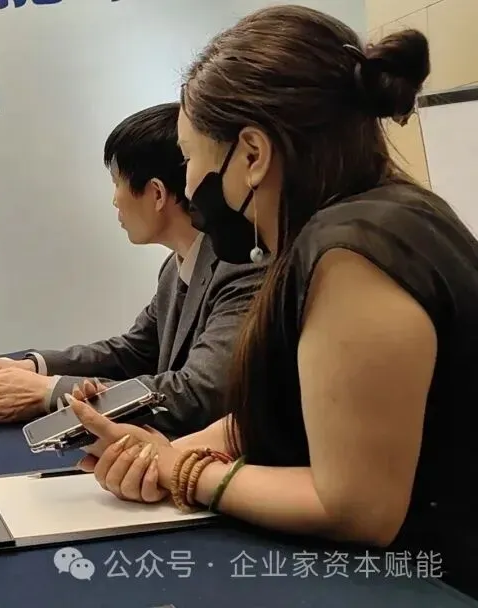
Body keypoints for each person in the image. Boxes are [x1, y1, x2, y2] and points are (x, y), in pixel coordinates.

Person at [67, 5, 478, 598]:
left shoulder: (352, 257)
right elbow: (299, 414)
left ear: (253, 155)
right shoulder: (371, 220)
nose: (187, 183)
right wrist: (163, 451)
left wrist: (182, 471)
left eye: (190, 157)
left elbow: (355, 507)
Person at [0, 103, 263, 436]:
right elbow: (133, 351)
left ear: (156, 193)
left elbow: (198, 394)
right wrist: (33, 367)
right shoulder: (177, 267)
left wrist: (49, 391)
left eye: (117, 183)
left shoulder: (241, 267)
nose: (114, 200)